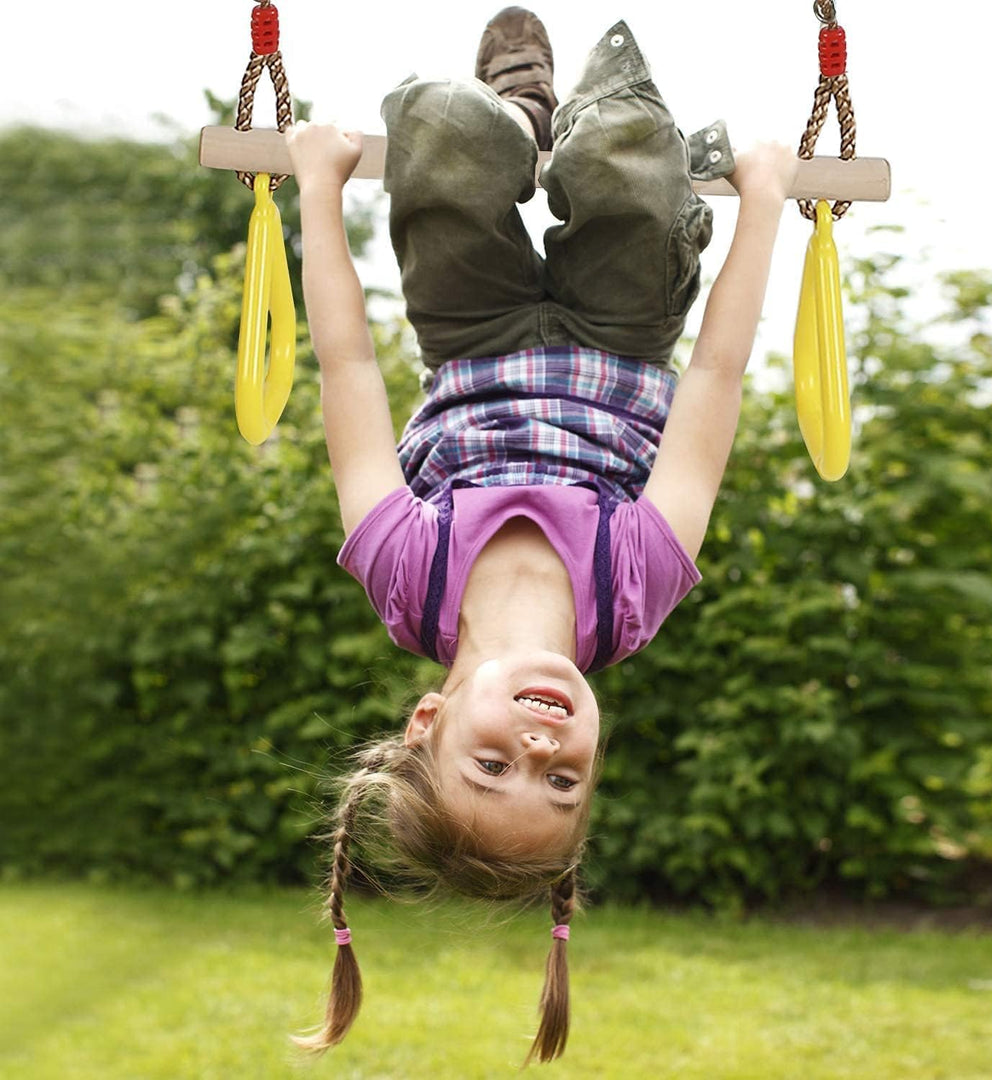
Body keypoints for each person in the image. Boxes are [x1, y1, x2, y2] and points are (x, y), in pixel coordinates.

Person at [285, 7, 797, 1062]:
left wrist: (320, 194)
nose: (539, 748)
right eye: (563, 782)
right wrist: (762, 206)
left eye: (491, 766)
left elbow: (345, 373)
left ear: (428, 720)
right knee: (625, 155)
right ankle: (568, 128)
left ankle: (514, 115)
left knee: (442, 129)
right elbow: (715, 379)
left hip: (467, 339)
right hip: (626, 333)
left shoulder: (407, 575)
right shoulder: (636, 586)